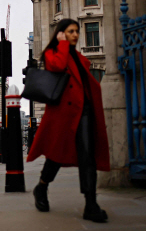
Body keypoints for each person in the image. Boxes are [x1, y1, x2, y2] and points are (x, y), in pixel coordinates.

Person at [26, 19, 110, 223]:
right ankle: (42, 187)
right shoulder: (53, 53)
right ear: (61, 33)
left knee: (88, 158)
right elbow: (57, 66)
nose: (75, 34)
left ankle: (91, 204)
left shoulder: (80, 57)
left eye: (77, 31)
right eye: (71, 31)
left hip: (85, 112)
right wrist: (62, 44)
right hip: (64, 114)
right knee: (56, 155)